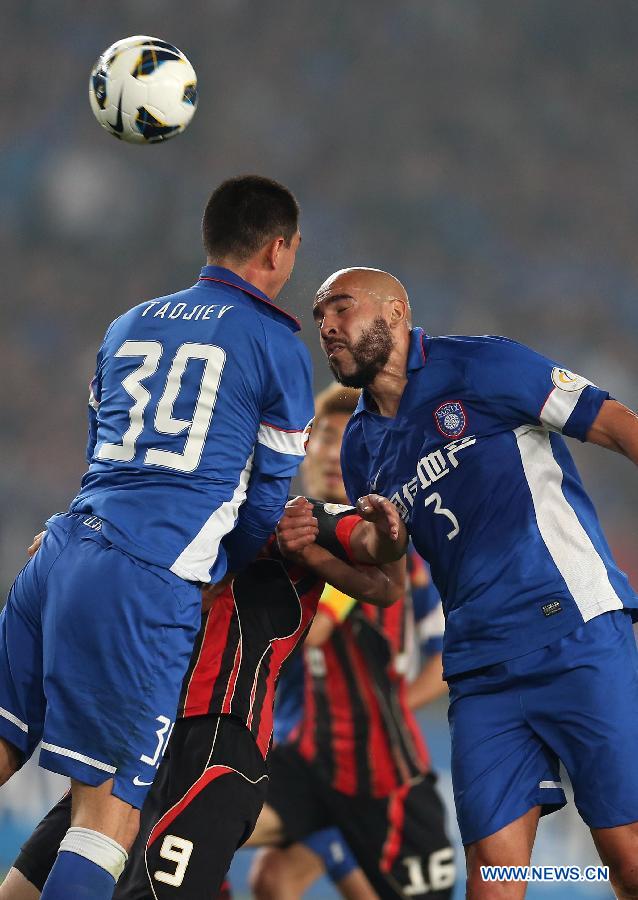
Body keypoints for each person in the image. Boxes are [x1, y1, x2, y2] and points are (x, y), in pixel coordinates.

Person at [0, 175, 316, 900]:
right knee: (105, 818)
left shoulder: (128, 323)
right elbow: (266, 503)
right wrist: (210, 568)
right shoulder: (275, 343)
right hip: (146, 580)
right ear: (277, 249)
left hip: (62, 548)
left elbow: (99, 451)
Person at [311, 266, 638, 899]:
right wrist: (372, 542)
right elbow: (387, 578)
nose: (327, 327)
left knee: (625, 860)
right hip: (481, 669)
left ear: (396, 312)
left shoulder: (483, 367)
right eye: (320, 319)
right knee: (494, 886)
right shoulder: (359, 449)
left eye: (341, 309)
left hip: (574, 629)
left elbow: (614, 422)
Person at [1, 415, 407, 898]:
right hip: (135, 736)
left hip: (218, 746)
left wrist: (345, 545)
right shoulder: (148, 517)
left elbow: (381, 563)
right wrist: (71, 545)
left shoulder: (297, 516)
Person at [245, 383, 455, 900]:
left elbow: (441, 657)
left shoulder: (394, 549)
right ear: (305, 444)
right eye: (328, 439)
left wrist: (392, 708)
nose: (338, 457)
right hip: (300, 759)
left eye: (352, 444)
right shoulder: (274, 531)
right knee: (260, 871)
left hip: (385, 773)